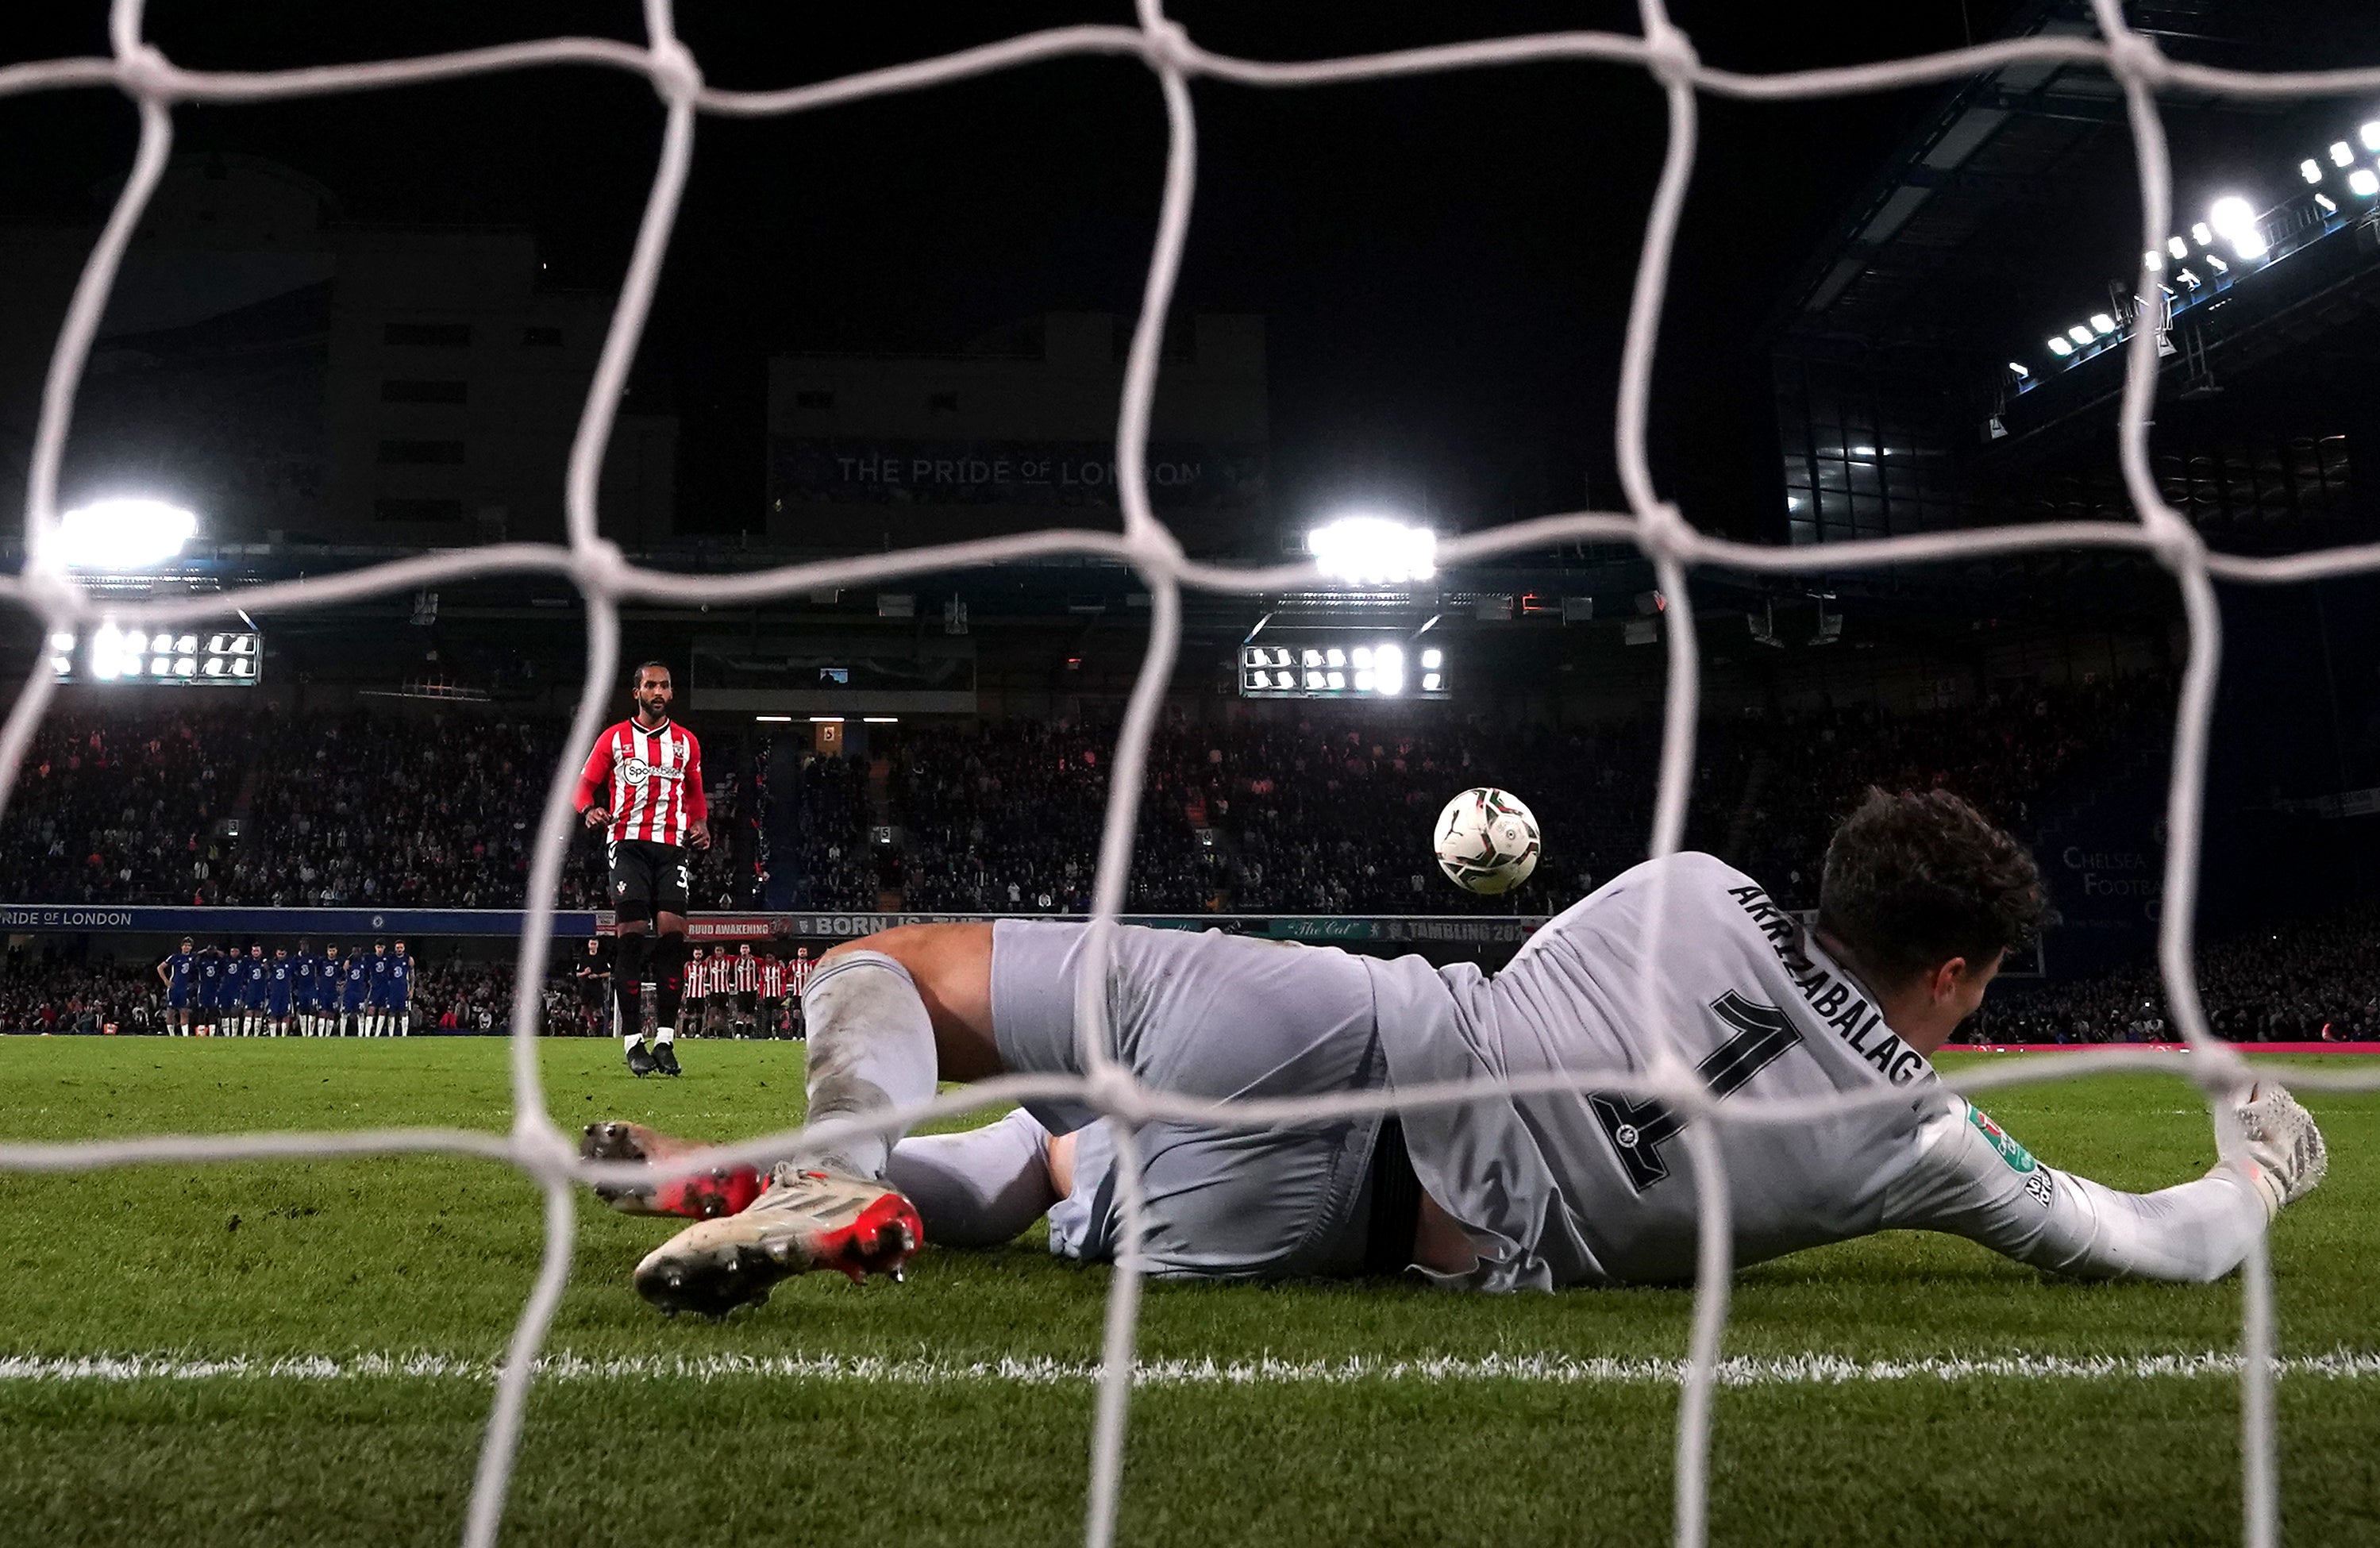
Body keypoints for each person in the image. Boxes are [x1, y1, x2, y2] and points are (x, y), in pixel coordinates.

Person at [591, 790, 2329, 1319]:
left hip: (1330, 1032)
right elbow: (2138, 1245)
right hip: (1321, 1241)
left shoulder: (1691, 882)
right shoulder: (1931, 1143)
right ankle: (802, 1190)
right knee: (1070, 1172)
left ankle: (832, 1169)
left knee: (884, 970)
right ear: (1949, 969)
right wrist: (2251, 1165)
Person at [575, 660, 709, 1078]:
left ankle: (665, 1041)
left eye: (664, 686)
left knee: (673, 942)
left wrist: (702, 826)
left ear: (671, 694)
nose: (658, 691)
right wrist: (590, 810)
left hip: (672, 849)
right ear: (637, 692)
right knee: (631, 938)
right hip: (628, 845)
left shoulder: (687, 744)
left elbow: (696, 798)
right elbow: (581, 787)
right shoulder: (613, 739)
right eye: (650, 684)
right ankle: (633, 1042)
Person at [156, 937, 197, 1036]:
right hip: (174, 987)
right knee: (171, 1011)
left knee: (184, 1011)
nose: (186, 947)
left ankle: (185, 1035)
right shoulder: (175, 957)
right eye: (185, 945)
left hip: (184, 988)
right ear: (182, 946)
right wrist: (166, 980)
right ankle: (171, 1035)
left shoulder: (192, 958)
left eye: (189, 946)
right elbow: (160, 967)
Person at [575, 937, 612, 1038]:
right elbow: (577, 974)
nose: (593, 946)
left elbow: (608, 973)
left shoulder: (602, 958)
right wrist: (584, 973)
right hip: (586, 986)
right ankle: (580, 1033)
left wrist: (598, 976)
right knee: (583, 1009)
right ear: (588, 945)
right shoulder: (583, 958)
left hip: (597, 987)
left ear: (597, 945)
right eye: (591, 944)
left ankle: (600, 1034)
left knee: (598, 1010)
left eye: (595, 944)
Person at [196, 942, 228, 1037]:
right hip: (203, 988)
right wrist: (202, 952)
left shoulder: (219, 960)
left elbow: (225, 963)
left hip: (214, 988)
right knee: (201, 1011)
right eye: (209, 950)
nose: (211, 952)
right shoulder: (202, 960)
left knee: (212, 1011)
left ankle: (212, 1034)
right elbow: (195, 960)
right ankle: (201, 1034)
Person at [238, 943, 269, 1037]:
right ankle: (245, 1035)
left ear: (261, 952)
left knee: (258, 1013)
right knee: (248, 1012)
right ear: (252, 952)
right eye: (254, 951)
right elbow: (244, 976)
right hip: (250, 992)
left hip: (261, 991)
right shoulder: (248, 963)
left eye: (257, 951)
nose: (256, 953)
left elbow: (269, 971)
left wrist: (265, 965)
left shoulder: (264, 962)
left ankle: (256, 1035)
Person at [387, 938, 415, 1037]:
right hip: (392, 990)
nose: (399, 949)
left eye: (401, 948)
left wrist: (411, 990)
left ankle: (404, 1035)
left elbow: (412, 976)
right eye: (398, 948)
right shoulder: (391, 959)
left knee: (404, 1012)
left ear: (404, 948)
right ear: (395, 948)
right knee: (391, 1012)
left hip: (404, 989)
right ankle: (391, 1035)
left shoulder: (408, 959)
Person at [340, 944, 370, 1037]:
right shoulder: (348, 963)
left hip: (359, 992)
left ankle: (361, 1035)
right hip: (349, 992)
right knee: (344, 1014)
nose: (356, 953)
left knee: (360, 1014)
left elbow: (367, 978)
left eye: (357, 951)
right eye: (354, 951)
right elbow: (342, 974)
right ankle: (342, 1035)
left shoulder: (364, 963)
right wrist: (348, 959)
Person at [757, 949, 787, 1041]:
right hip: (767, 995)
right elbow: (761, 983)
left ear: (774, 958)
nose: (769, 959)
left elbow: (783, 981)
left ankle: (778, 1034)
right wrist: (761, 995)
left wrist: (782, 993)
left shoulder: (779, 968)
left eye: (771, 957)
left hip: (777, 995)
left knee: (777, 1015)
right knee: (768, 1016)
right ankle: (768, 1035)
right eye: (767, 958)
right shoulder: (763, 969)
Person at [731, 942, 760, 1038]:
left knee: (750, 1014)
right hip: (741, 991)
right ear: (740, 950)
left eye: (746, 948)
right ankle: (738, 1033)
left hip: (751, 991)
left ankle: (747, 1034)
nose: (744, 950)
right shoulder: (737, 962)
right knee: (741, 1013)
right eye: (743, 948)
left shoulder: (754, 961)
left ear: (749, 950)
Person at [266, 946, 295, 1038]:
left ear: (286, 954)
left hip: (286, 993)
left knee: (286, 1014)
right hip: (274, 993)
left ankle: (283, 1035)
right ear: (276, 953)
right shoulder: (272, 963)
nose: (281, 956)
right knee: (273, 1014)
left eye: (283, 954)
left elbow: (294, 975)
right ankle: (273, 1035)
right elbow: (266, 969)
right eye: (279, 954)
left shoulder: (290, 963)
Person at [787, 945, 813, 1041]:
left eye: (804, 951)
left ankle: (803, 1035)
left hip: (807, 994)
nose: (802, 953)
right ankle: (794, 1035)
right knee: (796, 1013)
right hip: (797, 994)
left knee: (806, 1015)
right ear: (798, 953)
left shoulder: (811, 965)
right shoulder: (793, 965)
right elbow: (785, 975)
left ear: (807, 953)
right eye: (801, 951)